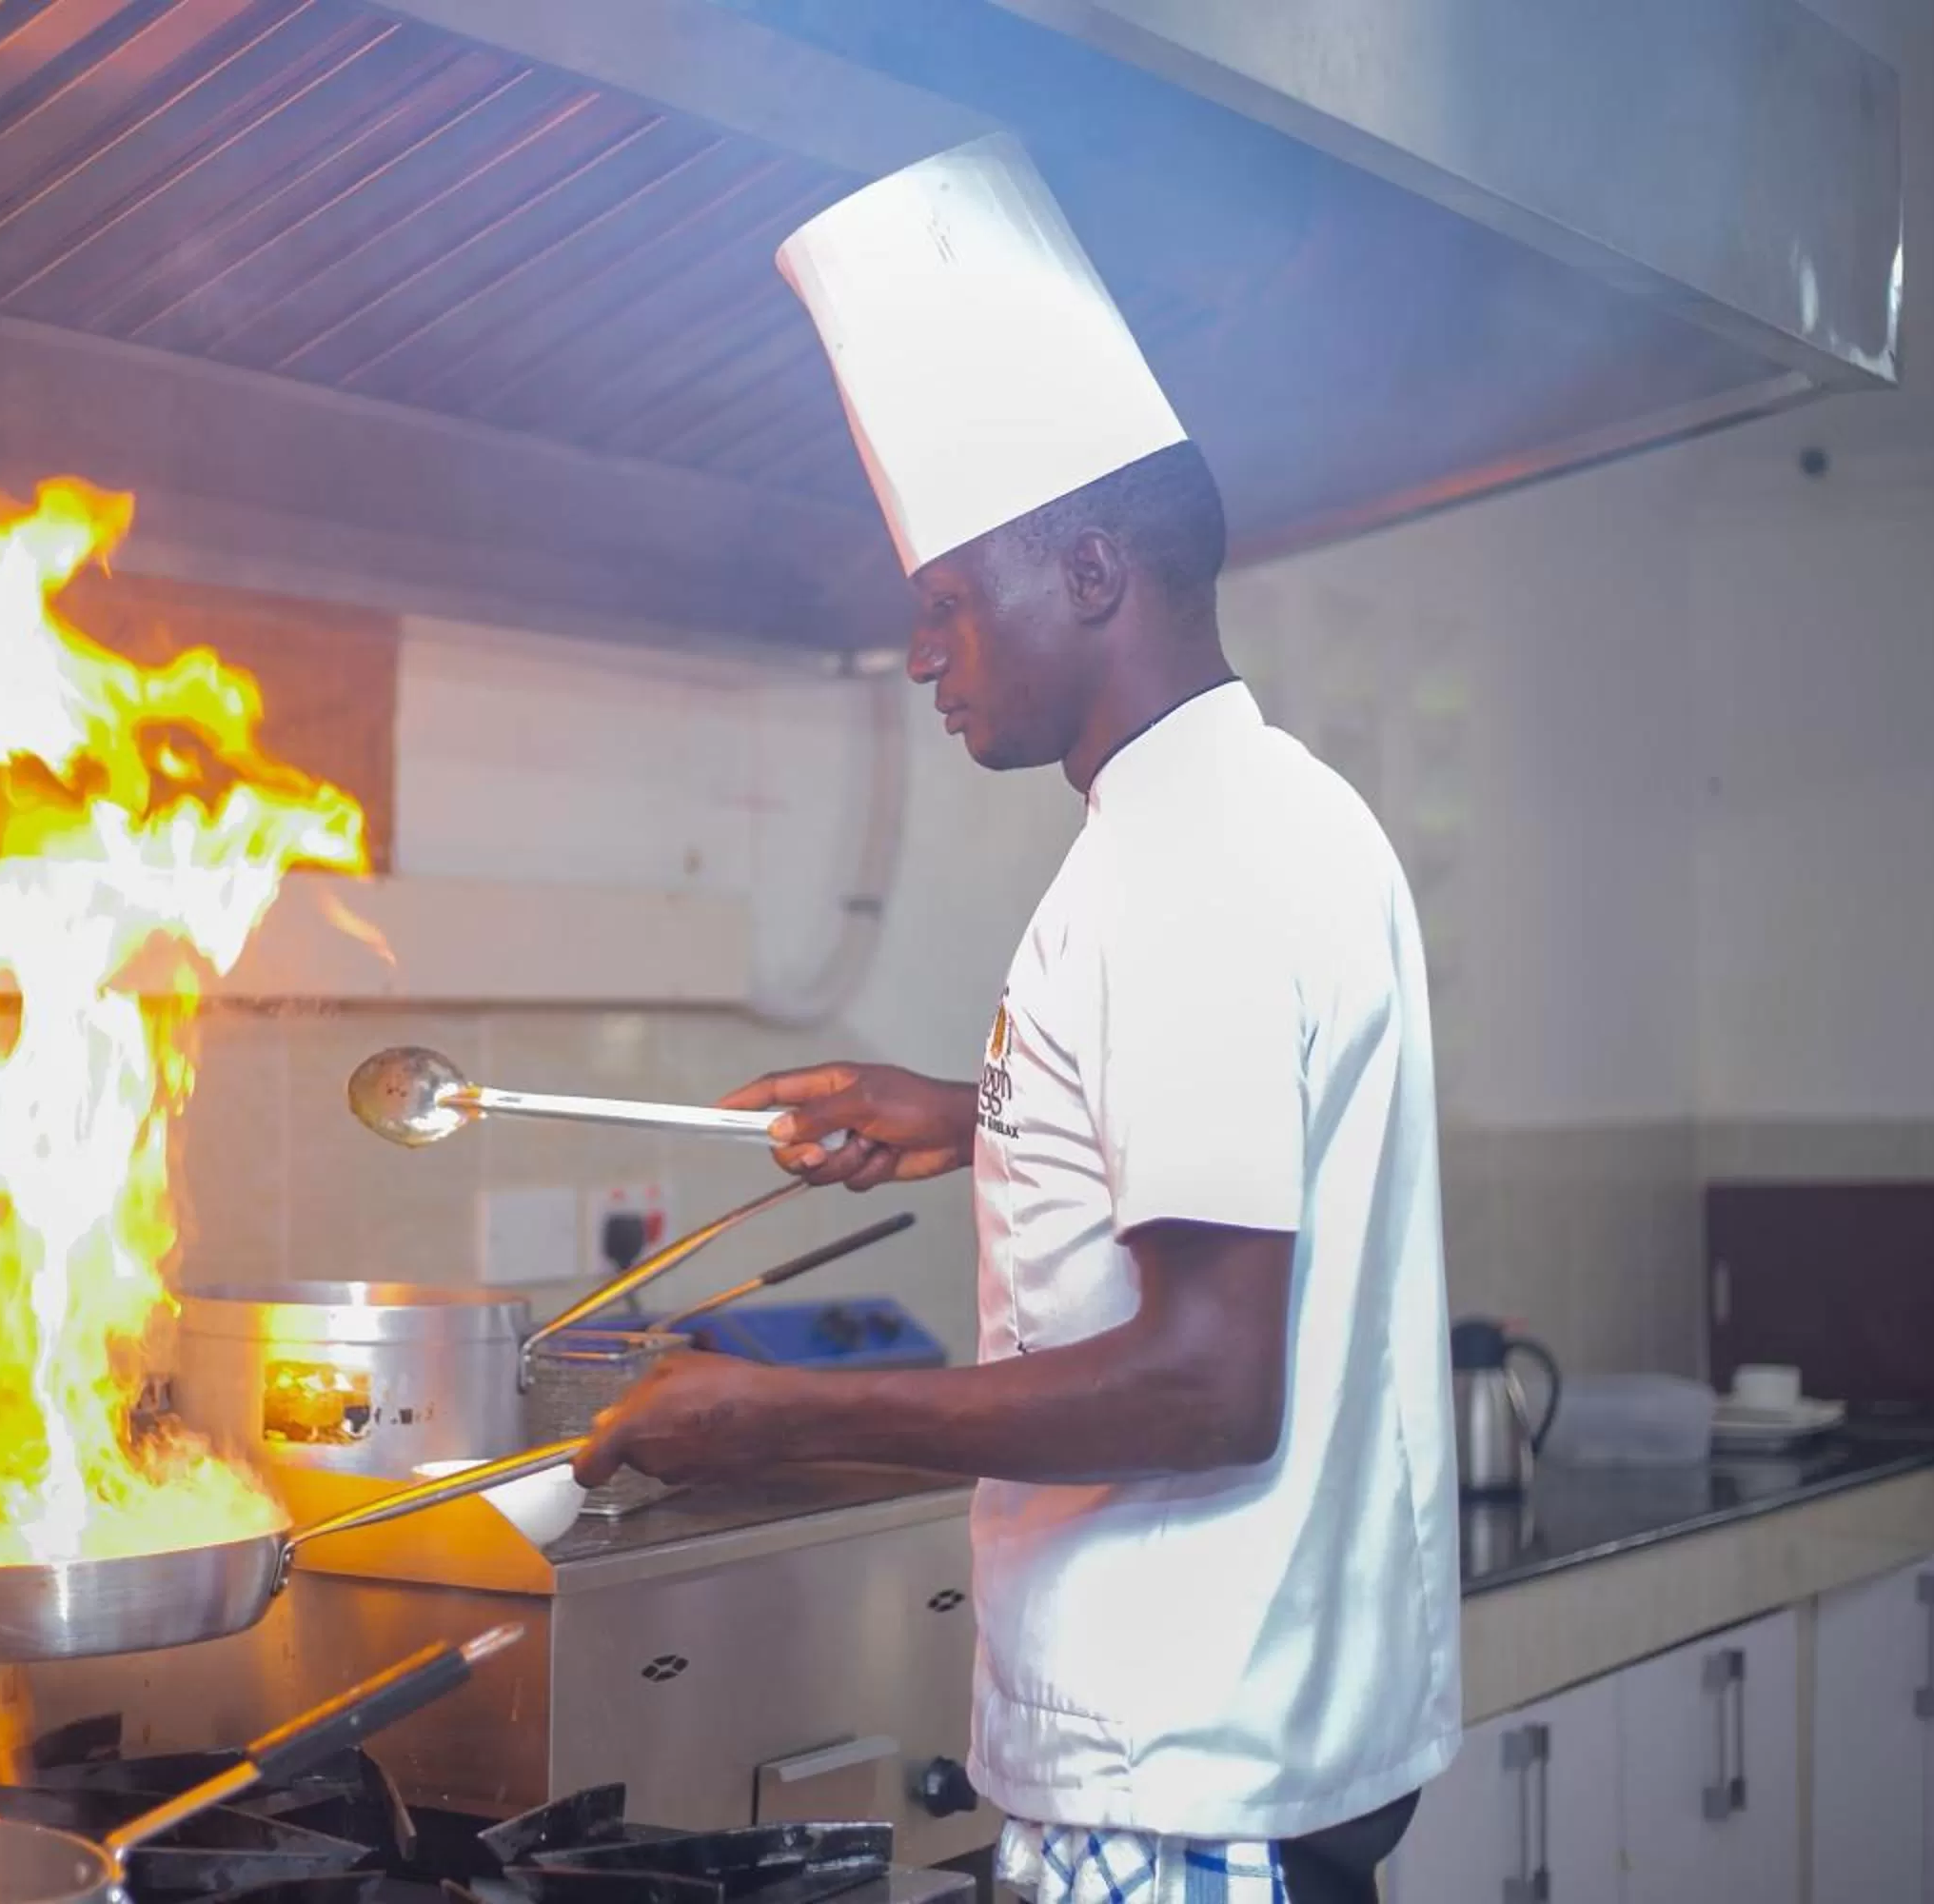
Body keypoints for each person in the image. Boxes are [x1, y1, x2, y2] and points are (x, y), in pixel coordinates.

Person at [572, 135, 1461, 1904]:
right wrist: (985, 1113)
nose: (923, 658)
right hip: (1263, 1753)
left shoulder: (1180, 866)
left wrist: (778, 1419)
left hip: (1184, 1783)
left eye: (946, 602)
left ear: (1093, 570)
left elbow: (1208, 1388)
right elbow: (1240, 1120)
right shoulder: (1274, 810)